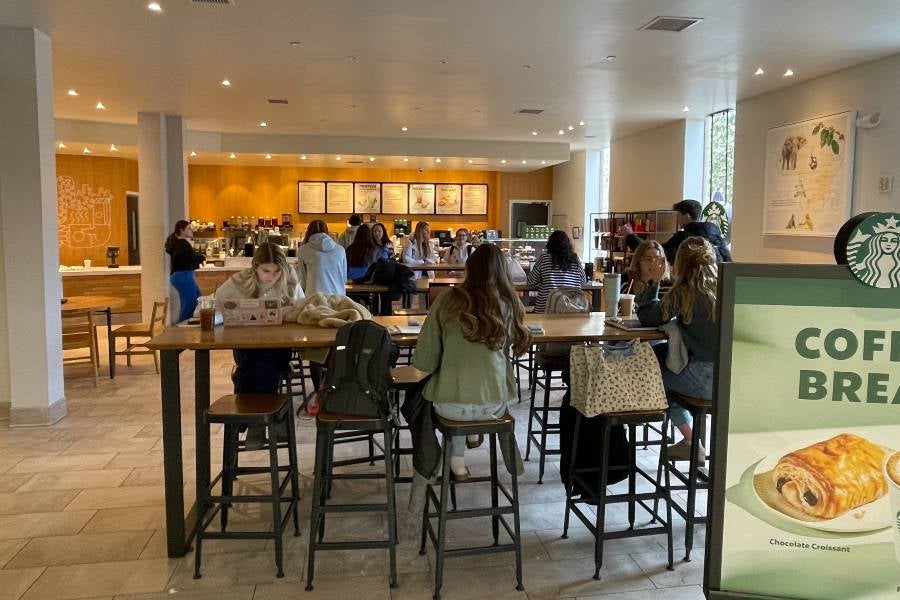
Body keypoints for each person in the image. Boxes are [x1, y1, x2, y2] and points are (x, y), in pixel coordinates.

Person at [413, 243, 530, 480]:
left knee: (449, 394)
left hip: (451, 405)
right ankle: (473, 436)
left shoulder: (446, 301)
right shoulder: (510, 305)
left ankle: (456, 461)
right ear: (503, 272)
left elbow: (424, 361)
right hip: (494, 404)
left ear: (469, 268)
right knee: (476, 393)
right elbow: (519, 348)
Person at [214, 243, 305, 447]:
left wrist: (288, 313)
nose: (271, 277)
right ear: (255, 267)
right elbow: (213, 305)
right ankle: (274, 417)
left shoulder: (290, 282)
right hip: (247, 347)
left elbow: (303, 310)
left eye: (276, 271)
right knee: (259, 362)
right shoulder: (239, 282)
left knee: (255, 364)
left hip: (278, 347)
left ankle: (254, 421)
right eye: (265, 271)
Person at [636, 236, 718, 461]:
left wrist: (652, 284)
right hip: (731, 381)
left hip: (704, 380)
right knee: (662, 361)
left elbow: (649, 318)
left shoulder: (685, 291)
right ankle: (694, 440)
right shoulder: (724, 287)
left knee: (653, 375)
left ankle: (691, 441)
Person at [620, 199, 732, 265]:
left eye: (678, 215)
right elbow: (728, 260)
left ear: (687, 216)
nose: (677, 219)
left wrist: (630, 236)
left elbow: (656, 254)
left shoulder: (685, 238)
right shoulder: (715, 235)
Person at [526, 230, 587, 313]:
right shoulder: (575, 259)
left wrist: (543, 281)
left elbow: (530, 282)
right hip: (571, 310)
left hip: (546, 310)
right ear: (568, 245)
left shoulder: (544, 258)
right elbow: (583, 282)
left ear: (550, 244)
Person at [165, 220, 205, 322]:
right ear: (181, 230)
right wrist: (202, 257)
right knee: (190, 304)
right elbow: (190, 258)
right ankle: (182, 329)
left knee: (197, 299)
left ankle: (186, 326)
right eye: (188, 229)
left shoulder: (177, 243)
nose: (191, 231)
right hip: (184, 275)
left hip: (179, 276)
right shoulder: (182, 244)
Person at [296, 220, 347, 296]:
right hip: (338, 298)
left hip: (314, 298)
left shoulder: (303, 250)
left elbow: (303, 280)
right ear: (327, 231)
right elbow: (344, 279)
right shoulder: (340, 250)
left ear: (308, 232)